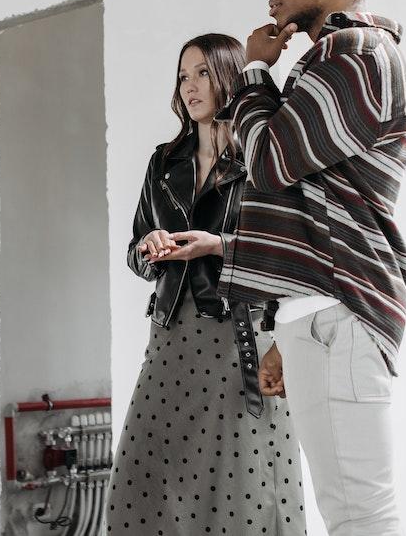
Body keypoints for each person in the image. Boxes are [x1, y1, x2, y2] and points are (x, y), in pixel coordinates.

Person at [154, 0, 406, 535]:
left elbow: (269, 160)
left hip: (339, 310)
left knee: (359, 515)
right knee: (348, 512)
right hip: (316, 315)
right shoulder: (324, 61)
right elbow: (299, 200)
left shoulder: (359, 54)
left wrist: (250, 72)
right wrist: (277, 327)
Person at [106, 34, 306, 536]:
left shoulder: (261, 161)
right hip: (171, 335)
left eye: (201, 73)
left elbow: (285, 253)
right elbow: (135, 252)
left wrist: (216, 245)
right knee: (143, 480)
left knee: (241, 484)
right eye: (182, 76)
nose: (190, 86)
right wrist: (149, 246)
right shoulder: (164, 162)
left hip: (239, 337)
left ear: (227, 77)